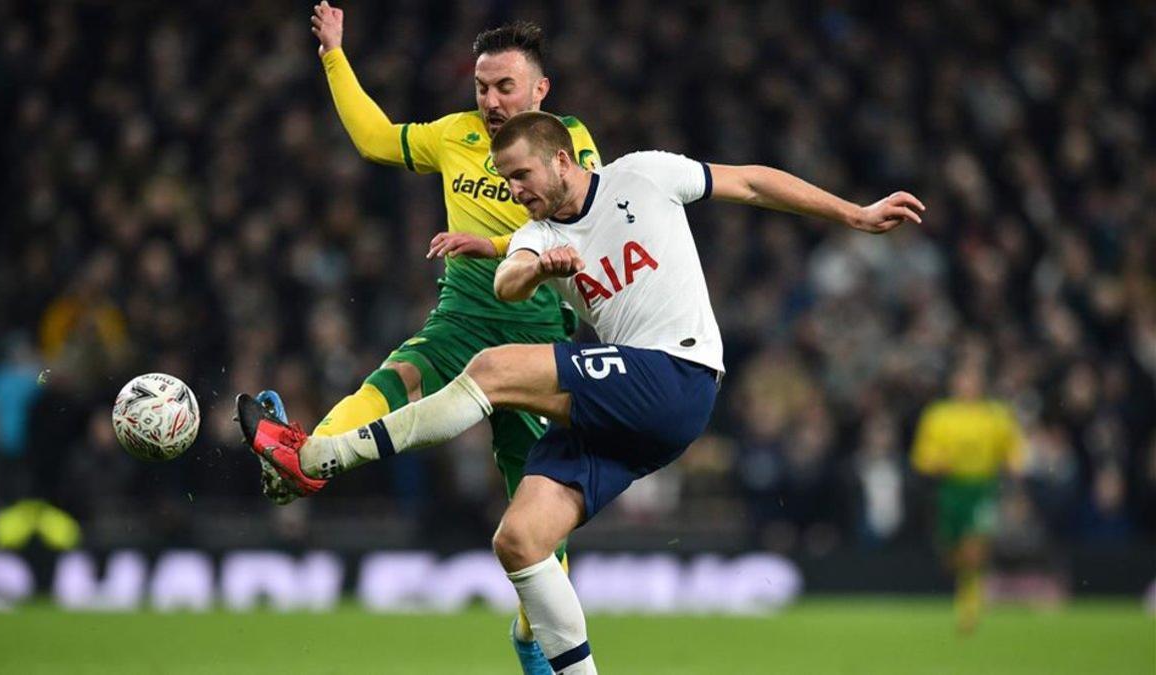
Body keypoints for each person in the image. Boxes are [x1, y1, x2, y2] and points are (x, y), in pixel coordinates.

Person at [240, 111, 923, 674]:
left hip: (675, 373)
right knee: (521, 539)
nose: (515, 191)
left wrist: (853, 214)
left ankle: (322, 458)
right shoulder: (535, 235)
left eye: (522, 176)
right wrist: (538, 267)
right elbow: (510, 281)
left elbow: (748, 182)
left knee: (493, 367)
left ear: (562, 159)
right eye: (505, 181)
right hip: (633, 408)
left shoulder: (644, 174)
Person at [282, 6, 601, 672]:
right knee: (394, 381)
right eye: (482, 87)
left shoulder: (569, 143)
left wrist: (486, 242)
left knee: (538, 517)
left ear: (540, 91)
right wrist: (335, 53)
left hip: (540, 344)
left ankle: (532, 633)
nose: (489, 101)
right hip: (460, 323)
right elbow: (375, 138)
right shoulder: (454, 134)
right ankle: (304, 457)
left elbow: (577, 224)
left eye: (504, 87)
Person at [911, 361, 1025, 633]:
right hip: (951, 489)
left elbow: (1014, 449)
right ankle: (966, 586)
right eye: (963, 380)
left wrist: (1014, 465)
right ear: (954, 384)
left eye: (973, 381)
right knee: (951, 551)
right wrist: (936, 462)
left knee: (975, 547)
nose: (968, 387)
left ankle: (970, 606)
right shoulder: (939, 416)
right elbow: (921, 456)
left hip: (981, 487)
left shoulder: (996, 415)